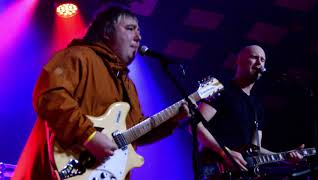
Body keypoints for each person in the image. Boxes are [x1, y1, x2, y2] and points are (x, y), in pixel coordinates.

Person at [12, 6, 188, 180]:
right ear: (106, 32)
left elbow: (134, 131)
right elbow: (51, 95)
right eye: (130, 28)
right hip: (58, 171)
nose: (138, 37)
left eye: (139, 31)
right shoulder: (78, 56)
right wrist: (88, 135)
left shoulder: (128, 84)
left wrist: (172, 119)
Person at [196, 45, 304, 179]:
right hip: (215, 169)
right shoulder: (220, 89)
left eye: (263, 60)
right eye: (254, 57)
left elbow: (255, 150)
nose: (259, 63)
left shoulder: (257, 106)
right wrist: (225, 153)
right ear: (238, 61)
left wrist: (284, 157)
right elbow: (195, 125)